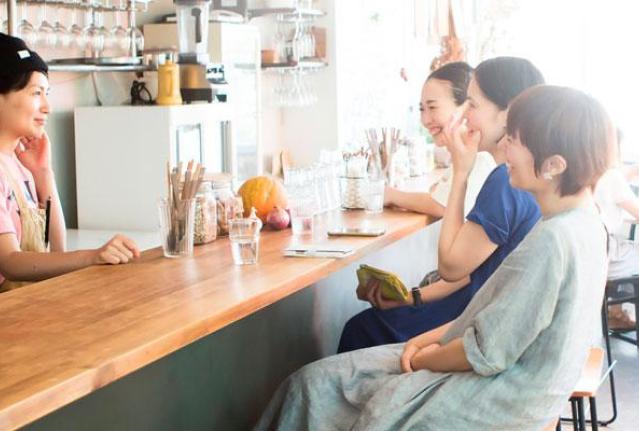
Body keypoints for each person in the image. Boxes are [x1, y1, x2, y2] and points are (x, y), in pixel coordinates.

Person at [256, 85, 612, 431]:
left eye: (514, 141)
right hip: (525, 393)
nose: (504, 147)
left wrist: (423, 357)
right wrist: (427, 341)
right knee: (322, 380)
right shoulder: (587, 224)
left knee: (312, 386)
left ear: (553, 165)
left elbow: (486, 351)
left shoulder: (553, 241)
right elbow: (497, 321)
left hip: (497, 400)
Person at [337, 57, 544, 353]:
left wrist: (461, 173)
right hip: (487, 318)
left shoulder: (506, 182)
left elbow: (450, 267)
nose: (466, 118)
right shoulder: (528, 177)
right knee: (364, 327)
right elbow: (476, 271)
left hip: (476, 327)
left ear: (507, 112)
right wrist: (413, 297)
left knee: (359, 330)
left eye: (472, 105)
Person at [0, 31, 140, 308]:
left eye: (47, 93)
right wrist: (93, 256)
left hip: (17, 313)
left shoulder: (17, 164)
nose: (47, 106)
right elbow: (11, 263)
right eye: (36, 93)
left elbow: (57, 247)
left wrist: (44, 174)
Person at [384, 62, 496, 218]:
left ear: (465, 107)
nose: (425, 120)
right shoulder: (462, 157)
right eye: (422, 109)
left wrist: (391, 196)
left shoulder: (482, 158)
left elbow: (443, 205)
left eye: (432, 107)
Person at [594, 129, 639, 329]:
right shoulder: (612, 176)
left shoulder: (588, 170)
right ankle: (616, 312)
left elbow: (620, 182)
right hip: (605, 255)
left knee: (627, 247)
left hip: (591, 252)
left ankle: (616, 313)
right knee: (631, 251)